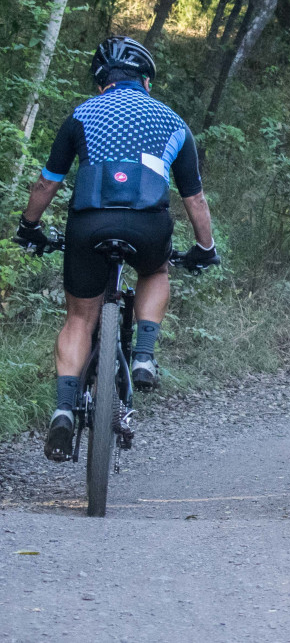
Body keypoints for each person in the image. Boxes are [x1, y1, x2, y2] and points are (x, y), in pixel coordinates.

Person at [14, 37, 219, 462]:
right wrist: (205, 247)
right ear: (146, 80)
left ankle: (64, 408)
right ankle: (144, 355)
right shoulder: (173, 121)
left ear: (100, 81)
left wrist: (28, 226)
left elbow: (46, 184)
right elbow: (194, 200)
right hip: (147, 223)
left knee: (79, 316)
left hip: (88, 222)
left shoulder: (80, 116)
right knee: (156, 271)